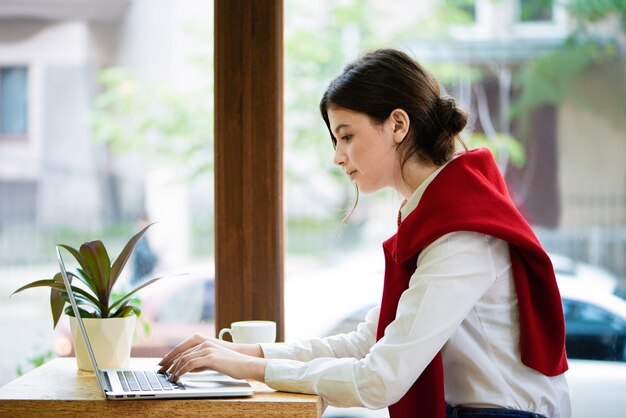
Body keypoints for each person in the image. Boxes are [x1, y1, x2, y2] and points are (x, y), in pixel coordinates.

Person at [158, 49, 571, 418]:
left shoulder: (459, 233)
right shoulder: (438, 214)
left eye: (346, 136)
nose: (338, 157)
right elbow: (368, 341)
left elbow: (379, 379)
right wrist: (237, 352)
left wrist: (251, 368)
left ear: (397, 124)